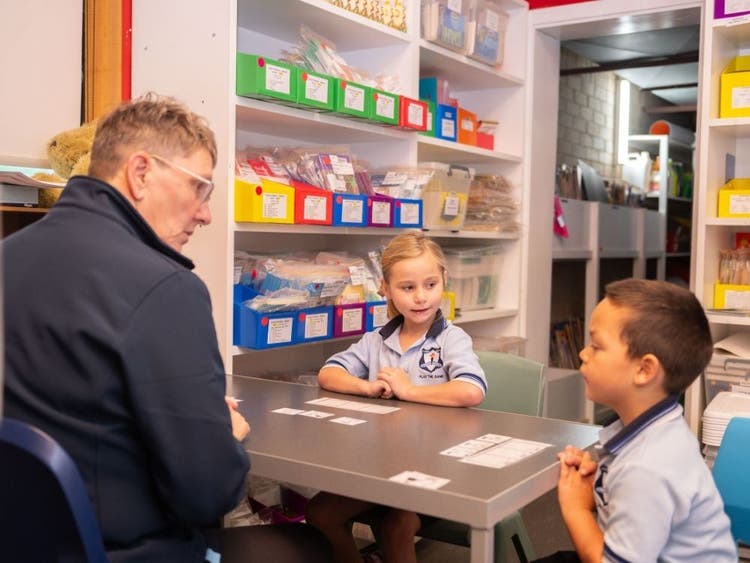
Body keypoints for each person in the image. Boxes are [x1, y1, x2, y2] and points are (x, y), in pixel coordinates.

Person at [2, 93, 331, 563]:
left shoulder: (10, 256)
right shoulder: (163, 288)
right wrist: (220, 433)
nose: (206, 213)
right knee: (304, 547)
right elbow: (208, 493)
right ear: (140, 173)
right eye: (201, 188)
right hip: (126, 550)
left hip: (25, 543)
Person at [305, 231, 487, 563]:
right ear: (385, 289)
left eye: (430, 285)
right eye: (407, 287)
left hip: (436, 470)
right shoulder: (375, 340)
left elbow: (471, 390)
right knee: (320, 513)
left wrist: (410, 391)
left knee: (396, 524)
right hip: (379, 468)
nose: (421, 297)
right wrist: (366, 387)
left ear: (443, 280)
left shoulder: (451, 339)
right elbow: (328, 373)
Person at [543, 279, 737, 563]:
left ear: (645, 370)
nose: (583, 353)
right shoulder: (656, 426)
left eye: (596, 346)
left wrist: (576, 508)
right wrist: (600, 483)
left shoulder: (647, 466)